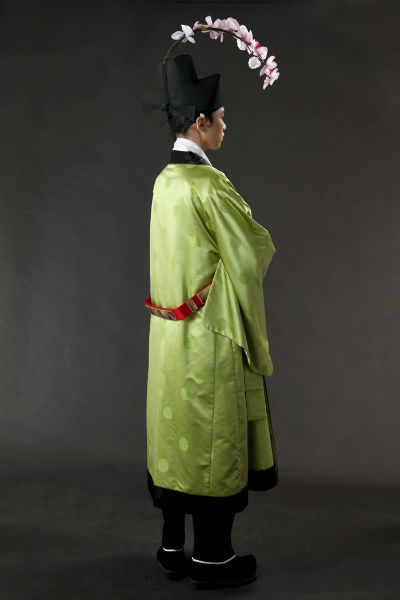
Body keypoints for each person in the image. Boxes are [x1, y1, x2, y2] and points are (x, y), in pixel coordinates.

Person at [143, 52, 278, 589]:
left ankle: (171, 547)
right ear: (199, 122)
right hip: (207, 334)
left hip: (167, 334)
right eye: (220, 118)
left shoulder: (165, 182)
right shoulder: (208, 185)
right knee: (211, 433)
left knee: (174, 428)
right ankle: (214, 559)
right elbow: (250, 250)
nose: (225, 126)